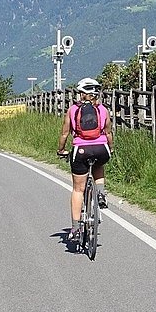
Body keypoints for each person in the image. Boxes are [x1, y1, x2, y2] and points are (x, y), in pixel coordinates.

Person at [57, 77, 113, 243]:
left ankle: (75, 227)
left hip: (81, 150)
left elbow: (64, 134)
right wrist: (111, 148)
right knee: (99, 163)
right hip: (101, 148)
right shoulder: (103, 110)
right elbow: (108, 133)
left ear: (81, 94)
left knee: (78, 189)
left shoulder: (73, 110)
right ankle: (101, 194)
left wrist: (61, 149)